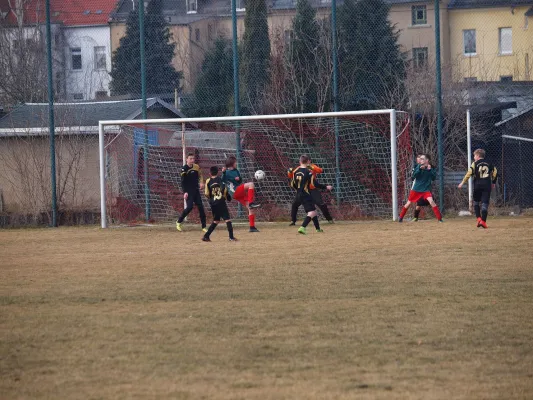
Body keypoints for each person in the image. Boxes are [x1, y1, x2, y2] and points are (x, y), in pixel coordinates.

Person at [458, 148, 497, 229]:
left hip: (477, 185)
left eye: (474, 156)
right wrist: (493, 182)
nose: (474, 157)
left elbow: (469, 173)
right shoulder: (489, 163)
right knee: (485, 203)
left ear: (478, 156)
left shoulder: (474, 164)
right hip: (487, 185)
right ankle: (483, 221)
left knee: (476, 202)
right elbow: (495, 172)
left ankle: (478, 218)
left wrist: (462, 182)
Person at [399, 154, 443, 223]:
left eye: (422, 159)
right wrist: (419, 169)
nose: (420, 160)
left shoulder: (431, 168)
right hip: (416, 189)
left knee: (431, 202)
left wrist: (430, 170)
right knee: (408, 203)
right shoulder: (418, 167)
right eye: (420, 158)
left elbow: (433, 178)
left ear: (427, 160)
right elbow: (414, 176)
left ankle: (440, 219)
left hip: (425, 190)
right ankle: (400, 218)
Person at [222, 156, 261, 233]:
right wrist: (223, 172)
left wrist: (239, 179)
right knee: (251, 184)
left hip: (238, 192)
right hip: (235, 191)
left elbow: (240, 181)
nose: (236, 163)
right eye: (235, 162)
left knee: (251, 209)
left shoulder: (236, 171)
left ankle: (252, 227)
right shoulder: (226, 172)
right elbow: (222, 180)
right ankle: (251, 203)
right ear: (232, 163)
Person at [202, 166, 237, 242]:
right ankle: (231, 237)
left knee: (216, 220)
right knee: (227, 219)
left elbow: (206, 193)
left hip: (213, 203)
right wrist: (228, 197)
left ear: (210, 173)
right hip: (221, 202)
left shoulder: (208, 181)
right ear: (218, 172)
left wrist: (211, 198)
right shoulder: (220, 180)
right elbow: (224, 190)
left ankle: (206, 236)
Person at [291, 155, 323, 234]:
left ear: (300, 162)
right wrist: (326, 187)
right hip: (306, 194)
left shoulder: (295, 171)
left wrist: (298, 190)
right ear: (308, 162)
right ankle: (302, 227)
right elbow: (314, 184)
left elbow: (292, 184)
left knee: (313, 210)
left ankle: (318, 229)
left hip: (298, 194)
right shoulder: (308, 172)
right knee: (312, 212)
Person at [176, 153, 207, 232]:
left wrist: (201, 182)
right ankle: (179, 221)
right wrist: (185, 192)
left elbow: (200, 175)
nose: (192, 160)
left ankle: (204, 226)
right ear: (187, 159)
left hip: (196, 190)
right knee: (189, 207)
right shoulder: (184, 169)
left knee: (201, 207)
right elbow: (183, 182)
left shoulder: (196, 167)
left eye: (193, 159)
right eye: (190, 159)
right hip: (188, 191)